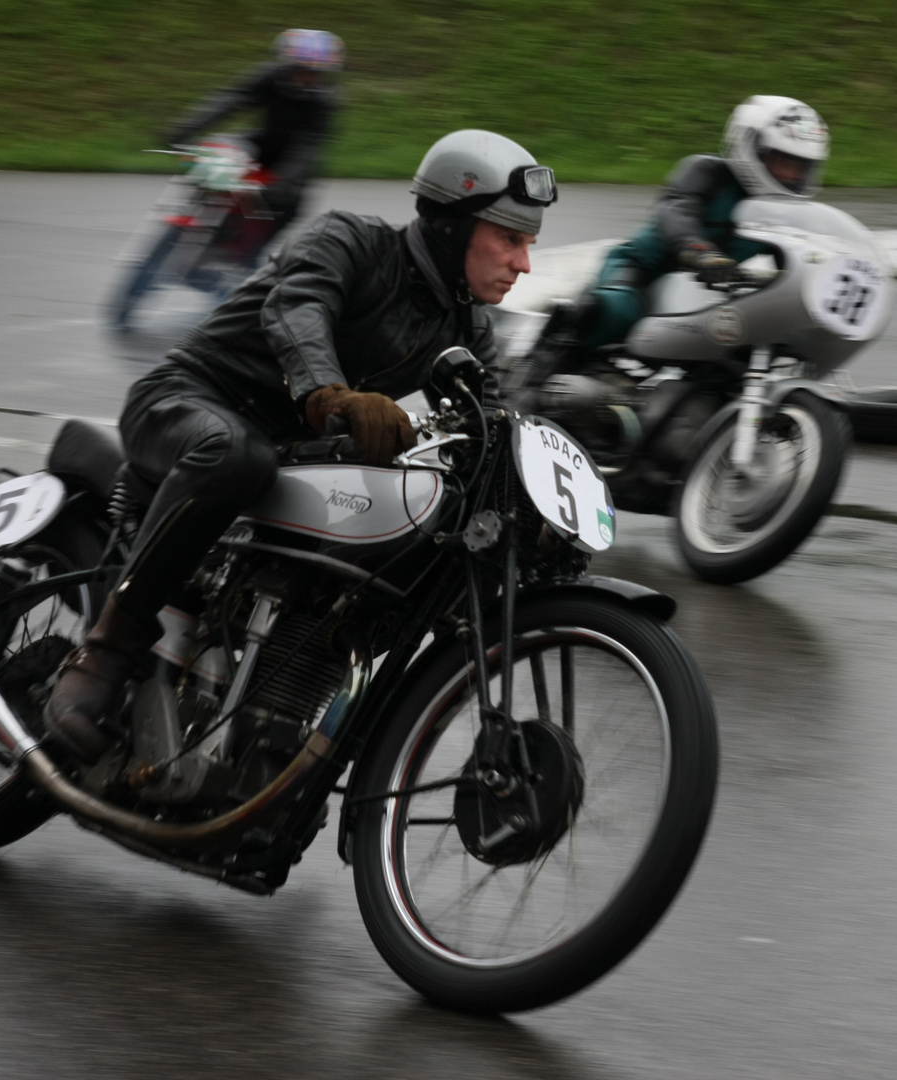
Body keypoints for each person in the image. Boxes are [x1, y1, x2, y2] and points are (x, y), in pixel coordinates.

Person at [43, 130, 557, 762]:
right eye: (510, 238)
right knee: (237, 456)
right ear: (453, 225)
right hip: (186, 400)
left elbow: (492, 417)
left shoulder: (466, 325)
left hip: (285, 455)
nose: (523, 262)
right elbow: (298, 307)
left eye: (529, 243)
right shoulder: (353, 241)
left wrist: (533, 495)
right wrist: (330, 398)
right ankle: (106, 650)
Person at [527, 95, 828, 374]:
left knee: (749, 344)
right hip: (644, 271)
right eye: (783, 162)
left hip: (714, 290)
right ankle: (536, 369)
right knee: (613, 311)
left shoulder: (783, 213)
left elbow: (796, 256)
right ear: (751, 147)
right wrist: (700, 253)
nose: (792, 176)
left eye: (800, 168)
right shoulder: (706, 171)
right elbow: (677, 211)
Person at [165, 28, 345, 259]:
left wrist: (282, 183)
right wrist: (185, 129)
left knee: (284, 209)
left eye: (314, 73)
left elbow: (309, 147)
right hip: (260, 144)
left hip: (290, 169)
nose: (305, 77)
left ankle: (245, 264)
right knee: (217, 152)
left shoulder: (325, 101)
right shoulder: (269, 77)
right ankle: (192, 216)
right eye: (298, 69)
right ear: (285, 64)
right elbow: (230, 101)